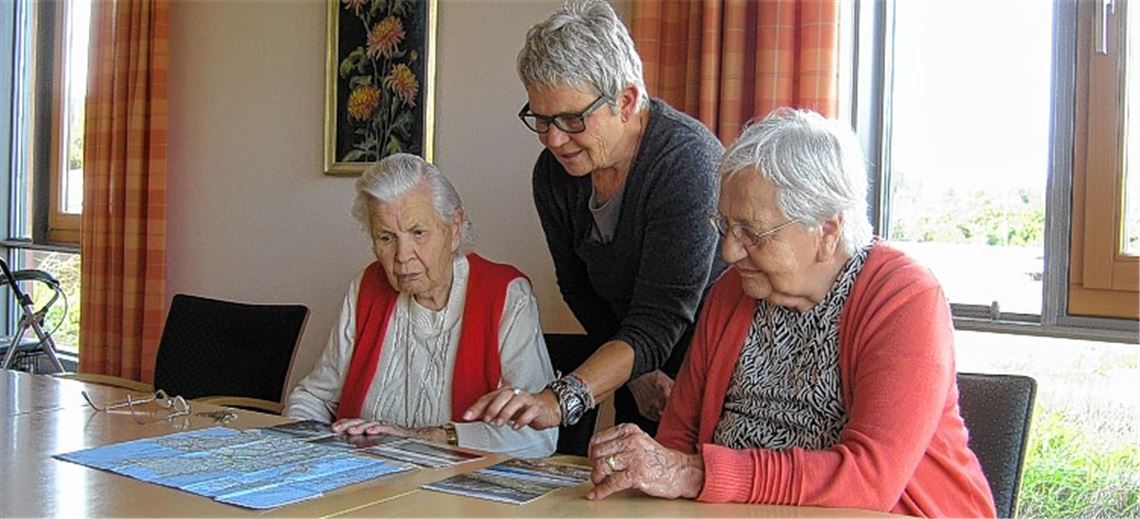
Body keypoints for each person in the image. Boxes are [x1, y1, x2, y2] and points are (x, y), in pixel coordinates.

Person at [584, 109, 996, 517]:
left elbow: (868, 480)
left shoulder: (902, 298)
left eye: (751, 232)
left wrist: (695, 474)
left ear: (827, 231)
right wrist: (652, 472)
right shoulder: (732, 291)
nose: (729, 251)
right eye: (725, 226)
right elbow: (678, 436)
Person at [463, 0, 727, 452]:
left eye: (572, 119)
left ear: (625, 101)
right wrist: (636, 374)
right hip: (633, 367)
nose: (553, 140)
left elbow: (661, 316)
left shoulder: (686, 162)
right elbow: (577, 287)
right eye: (541, 119)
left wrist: (560, 400)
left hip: (710, 371)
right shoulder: (554, 175)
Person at [285, 153, 557, 458]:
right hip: (361, 478)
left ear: (454, 228)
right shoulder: (366, 287)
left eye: (418, 233)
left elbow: (539, 437)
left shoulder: (505, 295)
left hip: (453, 484)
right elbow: (314, 397)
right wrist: (297, 452)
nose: (403, 256)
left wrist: (430, 437)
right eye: (386, 237)